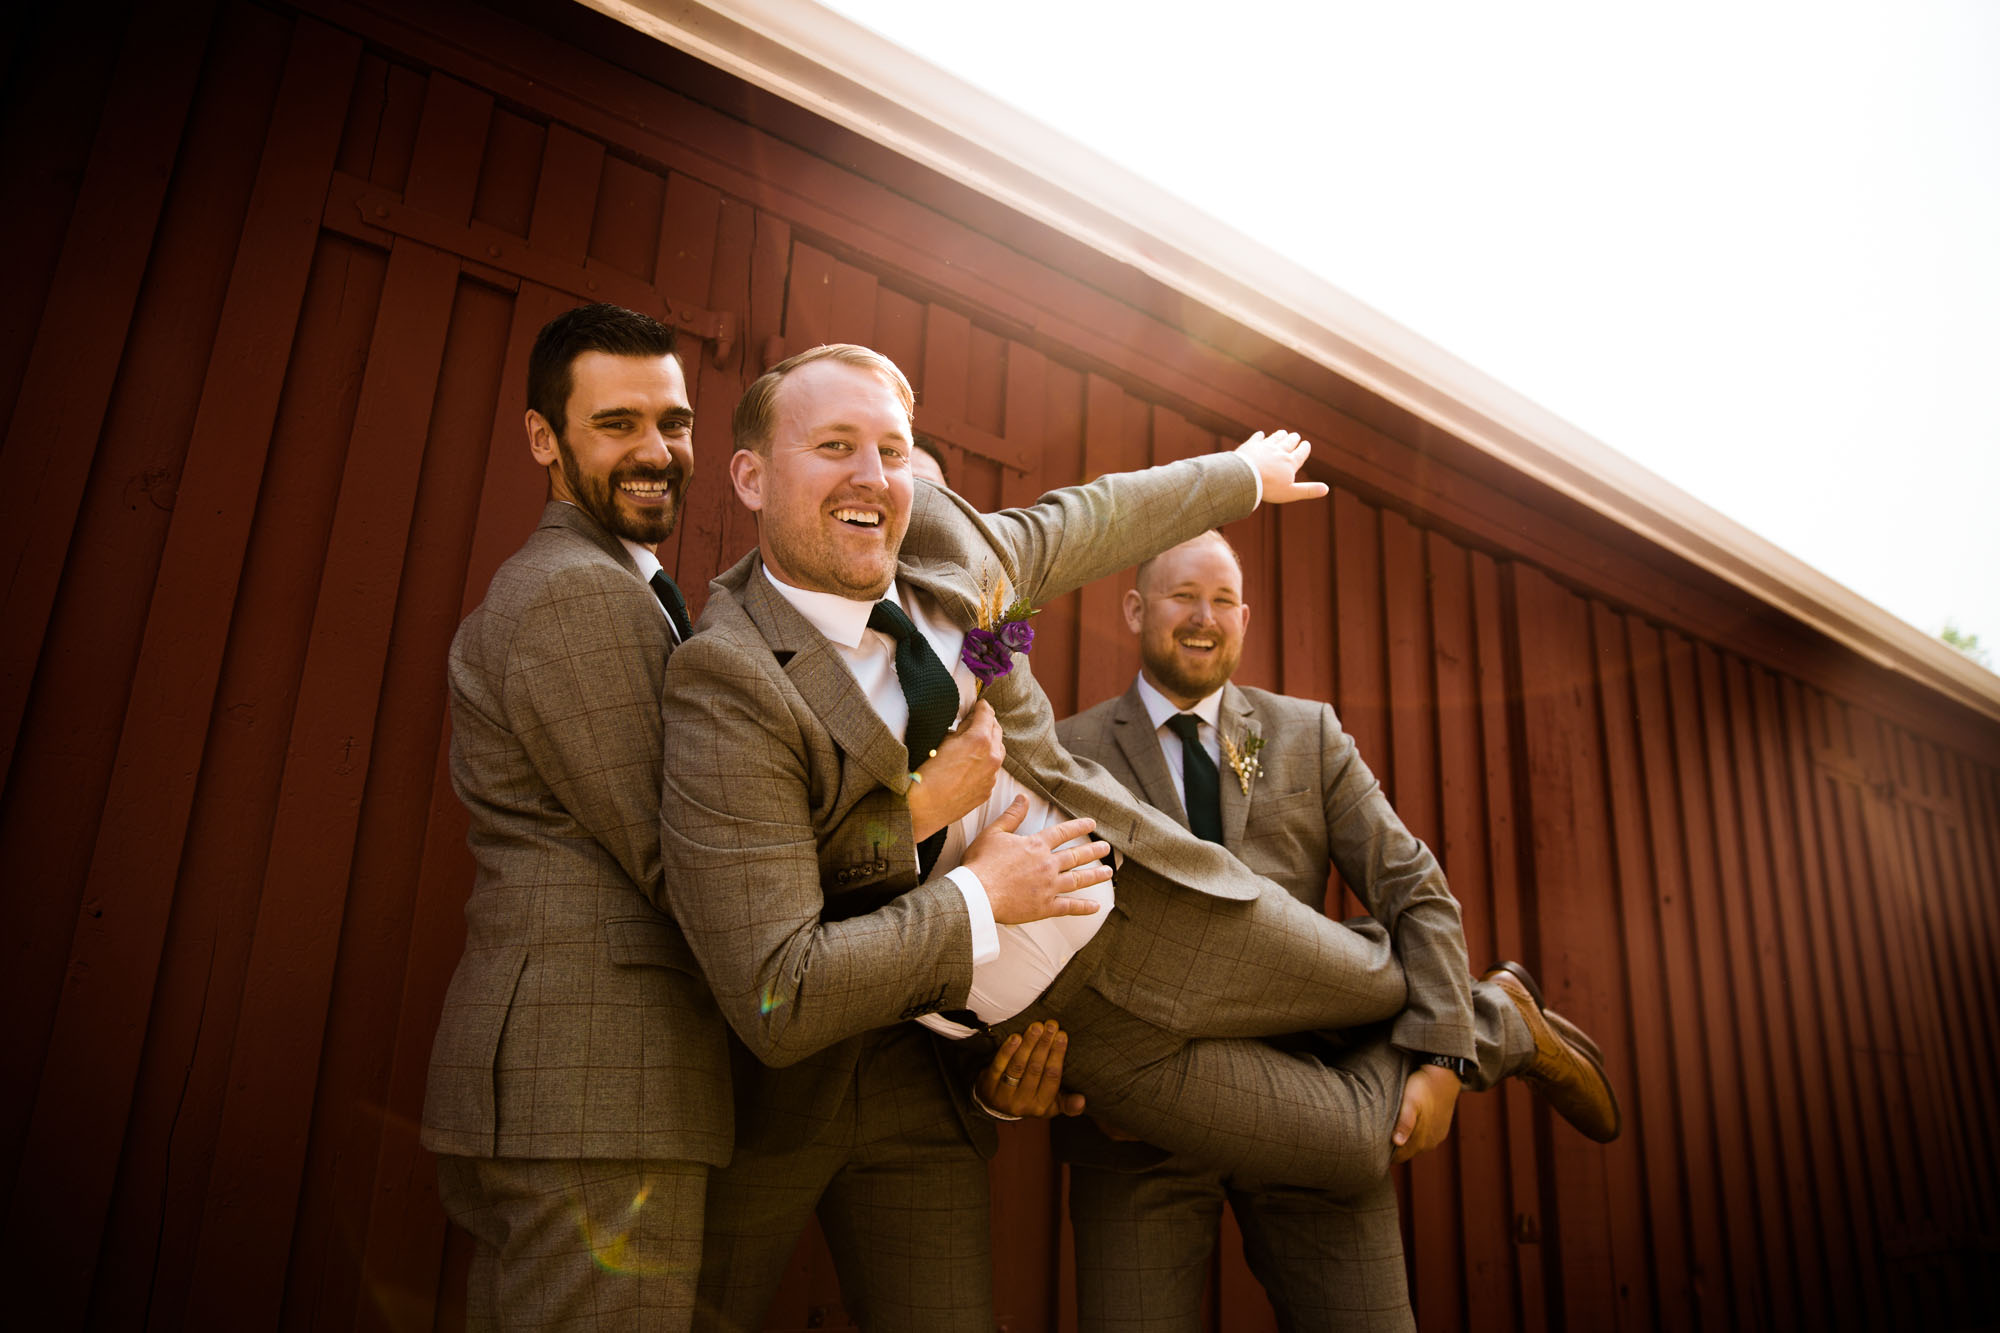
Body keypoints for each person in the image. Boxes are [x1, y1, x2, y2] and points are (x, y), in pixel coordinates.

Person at [657, 344, 1617, 1330]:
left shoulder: (958, 556)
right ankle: (1499, 1020)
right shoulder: (731, 672)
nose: (876, 482)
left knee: (1380, 985)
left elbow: (1095, 515)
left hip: (1150, 913)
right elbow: (779, 936)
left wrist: (1242, 474)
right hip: (1062, 1015)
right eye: (835, 447)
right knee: (1340, 1139)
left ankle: (1493, 1022)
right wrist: (940, 843)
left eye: (893, 455)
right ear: (751, 474)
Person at [1055, 529, 1514, 1330]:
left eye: (1224, 600)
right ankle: (1505, 1017)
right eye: (1182, 596)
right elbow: (1046, 930)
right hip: (1137, 1133)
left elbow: (1415, 889)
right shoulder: (1070, 749)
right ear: (1134, 608)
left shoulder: (1307, 734)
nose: (1205, 617)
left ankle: (1483, 1022)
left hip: (1312, 1093)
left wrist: (1441, 1059)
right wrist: (1073, 1078)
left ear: (1246, 617)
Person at [421, 303, 730, 1330]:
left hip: (575, 1091)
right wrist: (917, 812)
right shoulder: (574, 593)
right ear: (542, 438)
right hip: (596, 1086)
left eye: (674, 422)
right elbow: (687, 851)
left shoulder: (619, 588)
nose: (656, 451)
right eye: (617, 423)